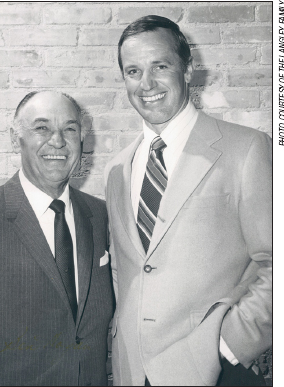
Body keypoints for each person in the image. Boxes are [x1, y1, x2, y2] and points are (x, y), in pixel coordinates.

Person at [104, 15, 272, 386]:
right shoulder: (117, 168)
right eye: (133, 71)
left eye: (159, 66)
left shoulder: (246, 149)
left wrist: (227, 347)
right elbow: (123, 271)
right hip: (132, 372)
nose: (146, 84)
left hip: (216, 369)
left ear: (188, 69)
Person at [0, 91, 114, 386]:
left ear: (82, 139)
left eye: (69, 129)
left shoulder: (101, 216)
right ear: (14, 137)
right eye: (42, 128)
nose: (57, 141)